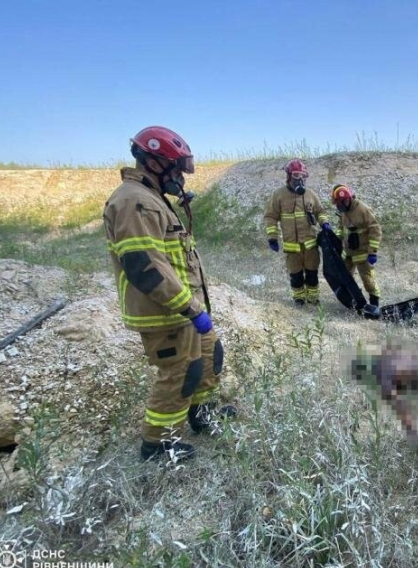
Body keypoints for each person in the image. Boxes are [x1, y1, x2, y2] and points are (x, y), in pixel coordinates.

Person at [103, 126, 236, 462]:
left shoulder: (152, 199)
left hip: (184, 308)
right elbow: (144, 265)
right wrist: (190, 309)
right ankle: (157, 445)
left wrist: (194, 308)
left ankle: (201, 415)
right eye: (176, 169)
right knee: (179, 372)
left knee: (208, 357)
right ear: (154, 163)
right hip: (164, 310)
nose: (181, 177)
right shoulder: (134, 201)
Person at [264, 159, 330, 306]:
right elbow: (270, 216)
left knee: (312, 273)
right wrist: (272, 237)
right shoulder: (278, 195)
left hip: (310, 244)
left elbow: (320, 211)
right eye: (296, 175)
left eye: (303, 176)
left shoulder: (311, 194)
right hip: (291, 246)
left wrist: (324, 223)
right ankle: (299, 299)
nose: (300, 179)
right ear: (288, 176)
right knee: (296, 275)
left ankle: (313, 298)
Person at [330, 184, 382, 307]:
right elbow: (340, 228)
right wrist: (336, 240)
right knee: (345, 279)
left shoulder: (363, 210)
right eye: (337, 203)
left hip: (363, 253)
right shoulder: (343, 211)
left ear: (347, 199)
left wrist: (372, 251)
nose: (339, 206)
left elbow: (375, 230)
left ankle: (374, 302)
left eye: (340, 203)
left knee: (367, 281)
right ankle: (354, 301)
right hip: (348, 253)